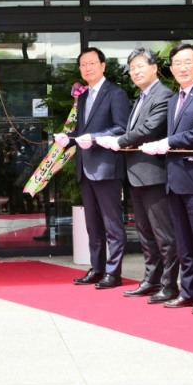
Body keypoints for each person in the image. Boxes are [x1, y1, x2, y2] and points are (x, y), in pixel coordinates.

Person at [141, 43, 193, 315]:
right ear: (171, 68)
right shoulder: (174, 99)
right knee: (184, 243)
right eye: (177, 63)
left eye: (188, 62)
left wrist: (168, 142)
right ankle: (189, 292)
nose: (182, 67)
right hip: (175, 179)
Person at [96, 47, 178, 303]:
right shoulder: (141, 97)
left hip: (154, 174)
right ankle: (151, 280)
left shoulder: (163, 95)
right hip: (136, 175)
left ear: (154, 68)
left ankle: (169, 285)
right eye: (132, 68)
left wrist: (118, 141)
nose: (135, 72)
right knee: (145, 232)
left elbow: (149, 129)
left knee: (164, 234)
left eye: (140, 66)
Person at [54, 47, 130, 289]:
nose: (87, 68)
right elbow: (83, 131)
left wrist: (94, 138)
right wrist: (68, 138)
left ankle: (113, 272)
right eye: (83, 64)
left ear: (103, 65)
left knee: (112, 224)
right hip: (85, 168)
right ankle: (97, 268)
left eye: (92, 63)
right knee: (93, 225)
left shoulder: (116, 93)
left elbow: (122, 128)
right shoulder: (84, 96)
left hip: (107, 168)